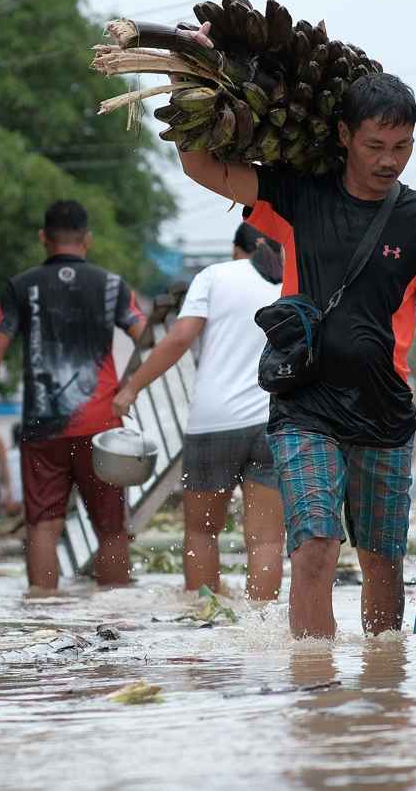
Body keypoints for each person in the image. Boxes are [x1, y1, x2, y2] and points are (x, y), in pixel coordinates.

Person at [176, 32, 416, 638]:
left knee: (382, 563)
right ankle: (315, 687)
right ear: (345, 137)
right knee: (316, 548)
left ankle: (382, 686)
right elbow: (199, 165)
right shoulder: (300, 194)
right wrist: (193, 78)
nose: (388, 160)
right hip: (306, 405)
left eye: (402, 147)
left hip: (384, 410)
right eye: (375, 145)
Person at [0, 200, 147, 593]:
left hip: (44, 428)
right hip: (102, 429)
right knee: (111, 528)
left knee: (44, 524)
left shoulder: (21, 287)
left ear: (43, 238)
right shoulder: (112, 285)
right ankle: (120, 620)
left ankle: (43, 613)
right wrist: (130, 386)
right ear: (88, 240)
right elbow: (146, 338)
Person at [113, 223, 286, 600]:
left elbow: (178, 339)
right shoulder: (293, 281)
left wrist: (132, 387)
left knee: (202, 532)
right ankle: (262, 628)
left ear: (236, 248)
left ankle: (203, 615)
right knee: (266, 540)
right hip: (273, 422)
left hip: (214, 422)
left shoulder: (214, 276)